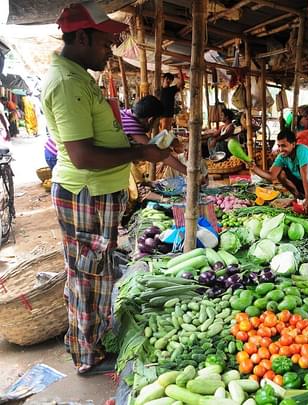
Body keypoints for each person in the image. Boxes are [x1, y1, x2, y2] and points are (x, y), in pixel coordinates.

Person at [41, 1, 169, 375]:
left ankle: (84, 340)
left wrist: (139, 150)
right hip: (87, 194)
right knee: (87, 275)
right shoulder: (67, 83)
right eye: (104, 43)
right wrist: (141, 151)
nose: (109, 51)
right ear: (81, 37)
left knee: (92, 271)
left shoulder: (78, 77)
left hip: (95, 195)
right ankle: (86, 354)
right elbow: (82, 155)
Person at [248, 129, 308, 213]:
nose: (281, 149)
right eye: (279, 146)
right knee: (281, 173)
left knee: (303, 176)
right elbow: (271, 176)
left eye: (284, 146)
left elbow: (306, 176)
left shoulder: (302, 150)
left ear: (293, 144)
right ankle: (298, 197)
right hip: (306, 185)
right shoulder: (282, 156)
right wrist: (254, 168)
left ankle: (307, 198)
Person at [120, 95, 186, 175]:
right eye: (157, 123)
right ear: (150, 120)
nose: (156, 126)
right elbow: (156, 153)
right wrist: (188, 172)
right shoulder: (131, 125)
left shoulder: (125, 113)